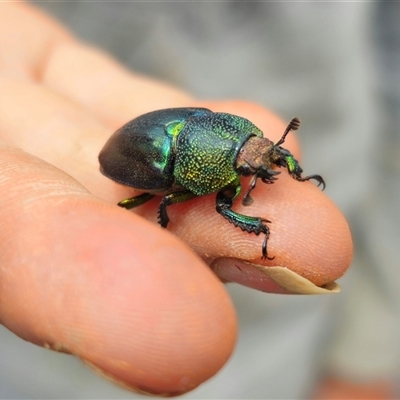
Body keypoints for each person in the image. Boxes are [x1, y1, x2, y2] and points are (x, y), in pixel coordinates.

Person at [0, 2, 397, 399]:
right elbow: (219, 207)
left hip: (292, 350)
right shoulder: (188, 176)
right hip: (58, 372)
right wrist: (253, 225)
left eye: (257, 156)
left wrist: (292, 168)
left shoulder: (234, 139)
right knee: (158, 204)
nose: (259, 165)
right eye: (248, 166)